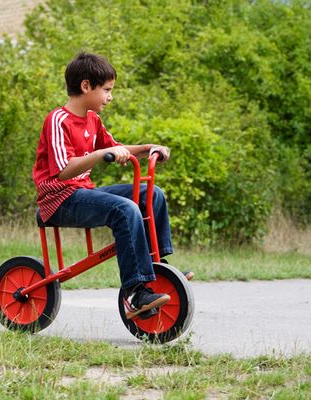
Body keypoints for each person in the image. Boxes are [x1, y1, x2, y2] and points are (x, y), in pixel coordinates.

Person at [32, 52, 187, 320]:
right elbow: (63, 171)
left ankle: (158, 269)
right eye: (106, 90)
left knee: (153, 194)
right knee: (125, 209)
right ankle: (134, 293)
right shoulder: (57, 120)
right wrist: (99, 156)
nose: (110, 96)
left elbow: (117, 148)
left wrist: (149, 148)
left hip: (84, 193)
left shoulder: (93, 120)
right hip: (59, 201)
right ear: (86, 86)